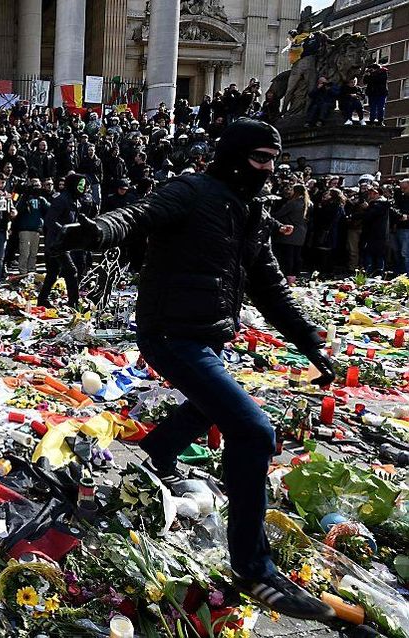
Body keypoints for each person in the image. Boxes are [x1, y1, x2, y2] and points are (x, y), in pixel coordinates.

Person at [65, 119, 338, 622]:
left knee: (209, 403)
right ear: (234, 156)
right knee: (254, 431)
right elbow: (140, 214)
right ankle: (254, 569)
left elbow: (270, 287)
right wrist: (97, 230)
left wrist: (311, 343)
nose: (269, 169)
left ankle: (156, 454)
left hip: (206, 334)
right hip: (171, 332)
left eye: (274, 159)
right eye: (260, 158)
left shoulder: (251, 212)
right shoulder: (191, 191)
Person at [37, 173, 92, 309]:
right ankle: (73, 302)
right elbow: (50, 220)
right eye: (81, 186)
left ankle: (42, 299)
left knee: (52, 273)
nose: (84, 188)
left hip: (63, 243)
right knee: (71, 271)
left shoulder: (76, 201)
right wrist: (64, 231)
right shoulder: (62, 200)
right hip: (56, 244)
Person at [270, 183, 307, 285]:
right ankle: (295, 277)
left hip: (290, 232)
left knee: (288, 256)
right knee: (296, 255)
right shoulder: (307, 203)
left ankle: (287, 276)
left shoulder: (293, 203)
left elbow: (279, 214)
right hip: (301, 232)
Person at [14, 177, 49, 276]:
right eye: (34, 186)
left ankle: (31, 272)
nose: (36, 188)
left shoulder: (41, 199)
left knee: (33, 253)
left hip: (36, 229)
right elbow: (17, 208)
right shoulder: (24, 197)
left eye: (38, 186)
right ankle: (23, 273)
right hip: (25, 229)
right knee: (25, 253)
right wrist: (25, 196)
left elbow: (50, 208)